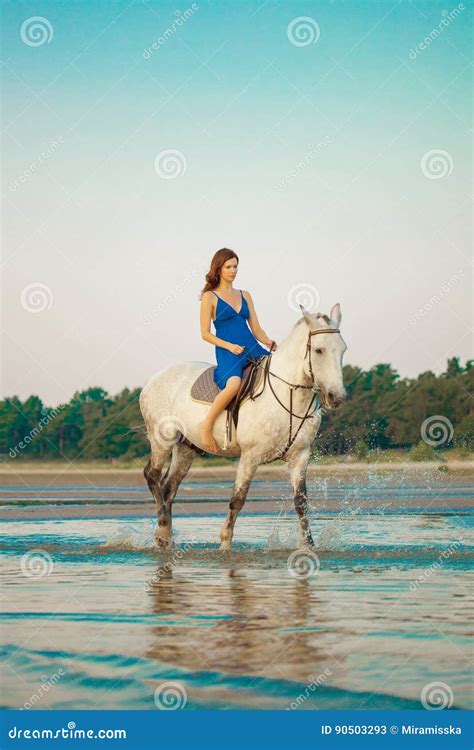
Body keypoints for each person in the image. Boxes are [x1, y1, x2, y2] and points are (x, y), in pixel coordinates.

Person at [199, 248, 277, 453]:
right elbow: (205, 333)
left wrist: (268, 341)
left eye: (235, 266)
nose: (233, 270)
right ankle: (206, 426)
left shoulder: (245, 295)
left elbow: (256, 329)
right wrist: (229, 346)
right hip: (228, 351)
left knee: (278, 373)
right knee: (233, 385)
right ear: (219, 268)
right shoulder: (210, 297)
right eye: (228, 267)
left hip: (252, 346)